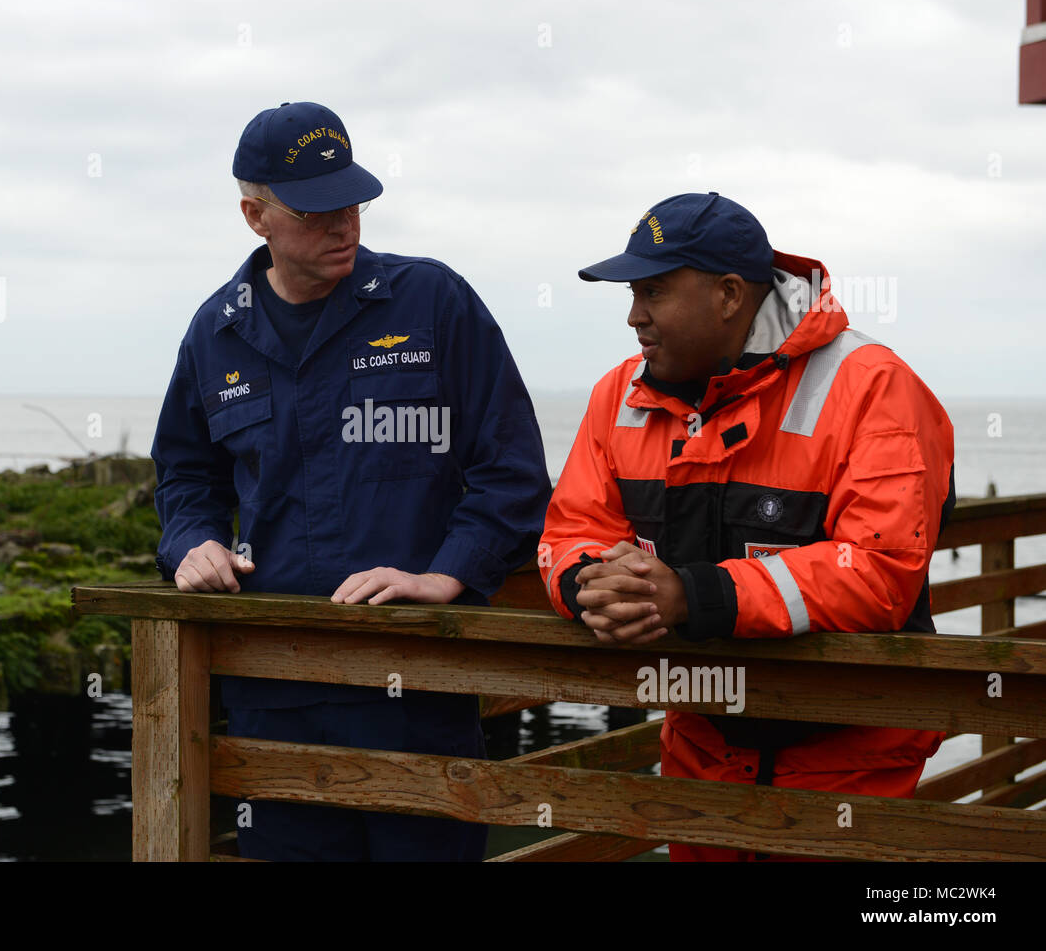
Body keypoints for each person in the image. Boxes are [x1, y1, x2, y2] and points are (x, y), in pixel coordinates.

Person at [150, 101, 550, 861]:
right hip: (272, 688)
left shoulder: (434, 303)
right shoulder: (216, 331)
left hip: (417, 687)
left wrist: (448, 573)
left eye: (353, 201)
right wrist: (192, 542)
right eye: (316, 209)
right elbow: (185, 472)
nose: (344, 224)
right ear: (254, 215)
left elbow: (513, 471)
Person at [539, 192, 956, 861]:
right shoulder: (618, 393)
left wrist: (689, 595)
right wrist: (592, 581)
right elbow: (571, 527)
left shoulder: (874, 385)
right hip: (699, 750)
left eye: (653, 291)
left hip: (848, 765)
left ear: (729, 294)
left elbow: (880, 573)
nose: (633, 316)